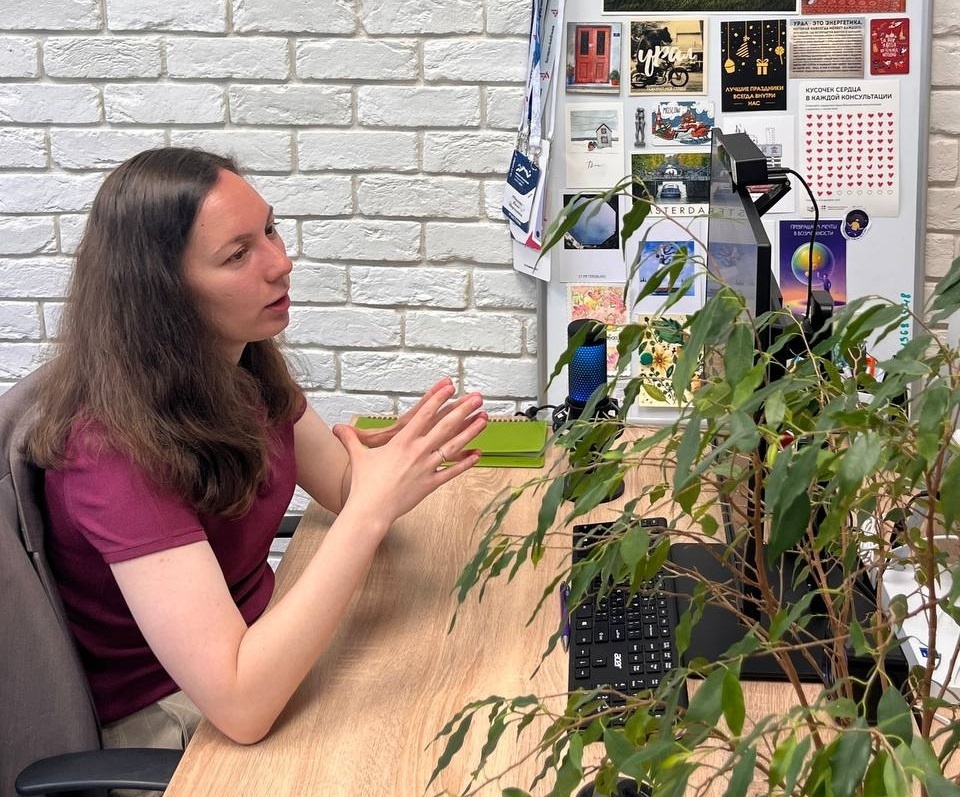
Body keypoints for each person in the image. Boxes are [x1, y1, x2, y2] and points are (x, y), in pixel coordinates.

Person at [26, 147, 489, 754]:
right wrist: (369, 511)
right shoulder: (111, 455)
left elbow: (341, 483)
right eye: (237, 255)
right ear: (162, 294)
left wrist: (392, 464)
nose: (281, 263)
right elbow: (241, 707)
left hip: (262, 646)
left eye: (269, 229)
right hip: (182, 718)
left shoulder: (239, 363)